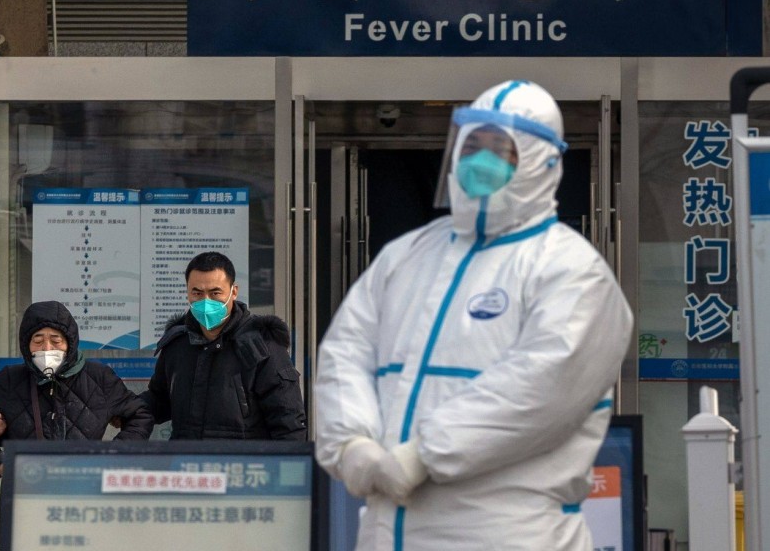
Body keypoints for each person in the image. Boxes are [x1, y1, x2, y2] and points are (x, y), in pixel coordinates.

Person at [314, 80, 634, 550]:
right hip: (387, 533)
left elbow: (539, 388)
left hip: (509, 535)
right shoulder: (407, 255)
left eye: (501, 149)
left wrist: (423, 454)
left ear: (542, 165)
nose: (479, 161)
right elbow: (346, 350)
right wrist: (351, 443)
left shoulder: (573, 270)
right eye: (472, 145)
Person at [0, 300, 152, 479]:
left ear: (70, 343)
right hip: (26, 490)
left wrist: (114, 457)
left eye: (56, 340)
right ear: (26, 344)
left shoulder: (99, 377)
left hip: (84, 489)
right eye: (38, 340)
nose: (47, 347)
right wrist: (1, 464)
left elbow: (140, 415)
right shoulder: (11, 379)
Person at [141, 251, 307, 440]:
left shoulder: (262, 346)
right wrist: (123, 409)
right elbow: (159, 400)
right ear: (187, 292)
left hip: (242, 466)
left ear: (233, 291)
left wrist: (285, 468)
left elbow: (288, 423)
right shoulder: (178, 345)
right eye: (197, 293)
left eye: (215, 293)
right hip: (186, 464)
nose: (206, 301)